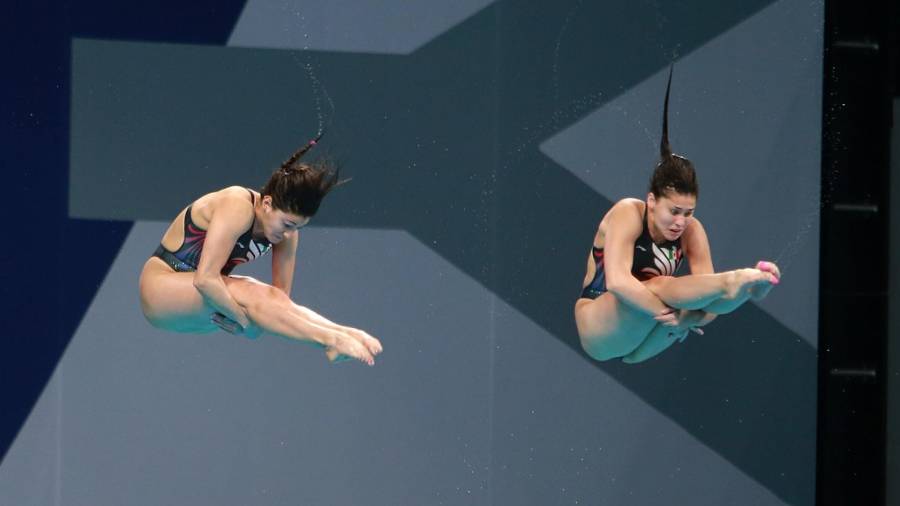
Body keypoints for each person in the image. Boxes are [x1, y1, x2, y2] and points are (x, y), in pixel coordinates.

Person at [574, 69, 780, 364]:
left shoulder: (692, 231)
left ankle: (750, 289)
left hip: (646, 334)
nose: (680, 222)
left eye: (688, 212)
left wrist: (688, 317)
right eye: (673, 211)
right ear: (652, 201)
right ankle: (733, 280)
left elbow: (708, 309)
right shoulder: (628, 212)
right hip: (599, 323)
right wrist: (677, 315)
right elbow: (618, 282)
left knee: (698, 300)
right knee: (661, 288)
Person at [139, 134, 382, 365]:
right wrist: (247, 323)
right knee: (250, 289)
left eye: (297, 227)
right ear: (266, 204)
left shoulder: (288, 232)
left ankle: (343, 332)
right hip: (162, 288)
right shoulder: (237, 204)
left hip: (203, 305)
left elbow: (280, 303)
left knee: (268, 297)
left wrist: (256, 326)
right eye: (287, 224)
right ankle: (332, 341)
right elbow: (205, 280)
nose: (288, 233)